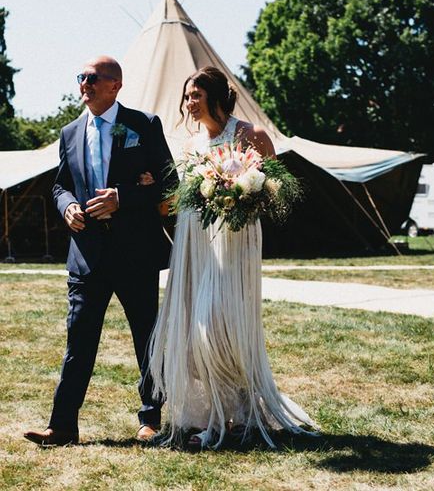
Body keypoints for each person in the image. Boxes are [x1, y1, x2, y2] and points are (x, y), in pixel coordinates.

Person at [147, 66, 313, 450]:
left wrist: (242, 193)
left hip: (233, 242)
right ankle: (219, 416)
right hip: (194, 241)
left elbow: (277, 187)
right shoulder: (189, 146)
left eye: (196, 96)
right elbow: (180, 196)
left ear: (216, 97)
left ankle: (232, 417)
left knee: (219, 329)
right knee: (191, 332)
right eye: (187, 96)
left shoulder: (249, 134)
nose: (189, 103)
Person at [24, 56, 177, 446]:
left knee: (146, 337)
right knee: (79, 340)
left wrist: (123, 198)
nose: (84, 84)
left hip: (134, 252)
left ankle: (151, 420)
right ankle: (62, 426)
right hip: (86, 254)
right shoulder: (69, 132)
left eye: (92, 78)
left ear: (115, 86)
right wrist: (67, 206)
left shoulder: (143, 125)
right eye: (81, 78)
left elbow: (169, 184)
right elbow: (60, 186)